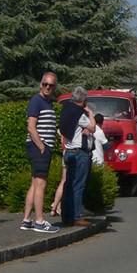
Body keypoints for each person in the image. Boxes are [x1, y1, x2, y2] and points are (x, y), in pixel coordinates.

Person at [23, 73, 59, 233]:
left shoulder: (48, 102)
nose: (48, 87)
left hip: (42, 146)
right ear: (40, 84)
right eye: (45, 84)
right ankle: (39, 221)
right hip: (39, 147)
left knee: (35, 183)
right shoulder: (36, 101)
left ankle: (26, 220)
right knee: (41, 183)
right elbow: (31, 126)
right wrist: (41, 146)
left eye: (51, 85)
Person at [58, 87, 94, 226]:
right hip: (79, 152)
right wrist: (90, 113)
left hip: (68, 151)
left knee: (68, 185)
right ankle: (77, 216)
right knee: (78, 185)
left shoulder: (66, 109)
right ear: (84, 99)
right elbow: (92, 128)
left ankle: (66, 216)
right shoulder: (79, 113)